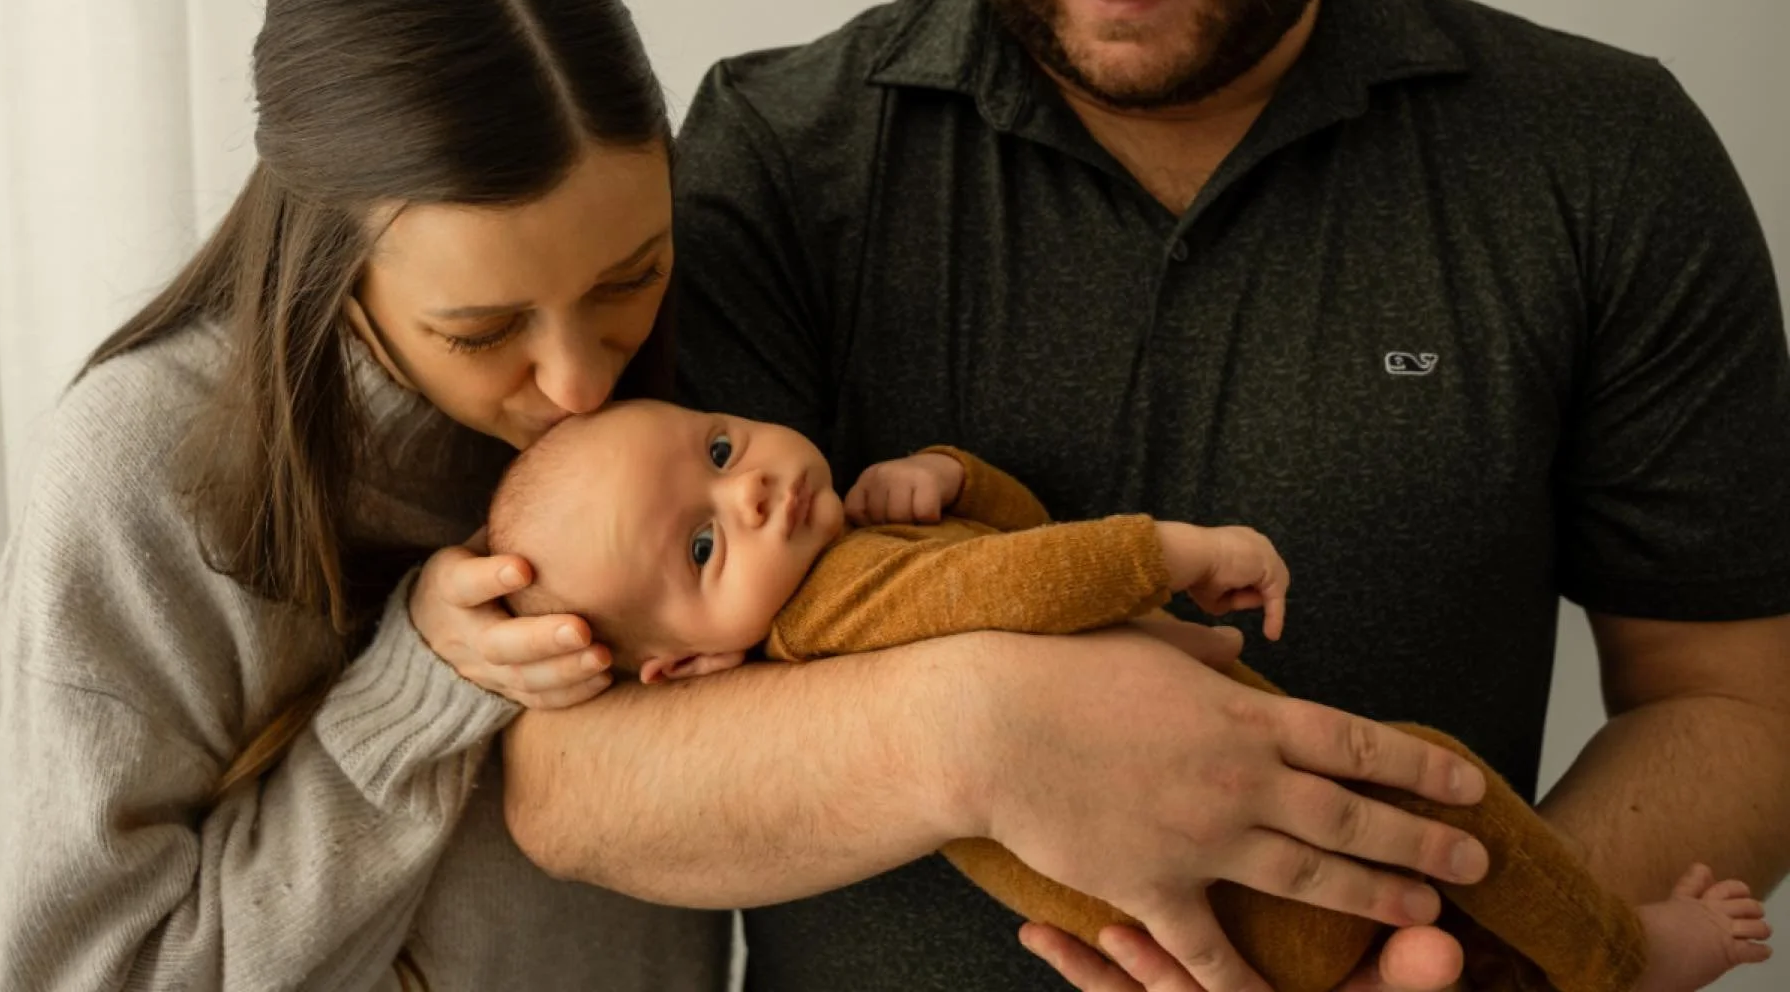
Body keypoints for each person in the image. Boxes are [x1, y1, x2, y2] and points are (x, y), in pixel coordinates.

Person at [501, 0, 1790, 991]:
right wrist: (981, 730)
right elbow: (571, 782)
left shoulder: (1600, 159)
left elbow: (1733, 699)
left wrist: (1479, 971)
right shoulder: (778, 156)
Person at [0, 0, 729, 991]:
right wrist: (412, 697)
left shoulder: (698, 389)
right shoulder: (140, 472)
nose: (575, 384)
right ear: (336, 270)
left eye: (631, 277)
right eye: (482, 329)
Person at [486, 399, 1774, 992]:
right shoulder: (833, 611)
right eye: (703, 547)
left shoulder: (841, 566)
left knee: (1424, 920)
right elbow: (1032, 579)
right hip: (1242, 893)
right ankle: (1616, 955)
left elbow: (999, 544)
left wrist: (945, 473)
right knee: (1440, 777)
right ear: (684, 668)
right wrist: (1168, 551)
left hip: (1222, 933)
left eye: (719, 448)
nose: (751, 490)